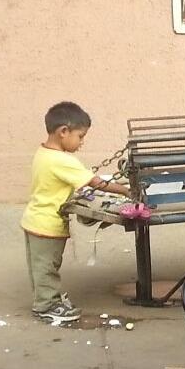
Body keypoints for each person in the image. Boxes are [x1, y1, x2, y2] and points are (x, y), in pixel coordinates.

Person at [21, 102, 130, 324]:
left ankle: (45, 300)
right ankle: (46, 306)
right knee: (47, 267)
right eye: (80, 136)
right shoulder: (62, 160)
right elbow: (96, 183)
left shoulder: (43, 153)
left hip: (34, 220)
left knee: (39, 267)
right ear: (63, 131)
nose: (81, 143)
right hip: (47, 225)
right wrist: (127, 190)